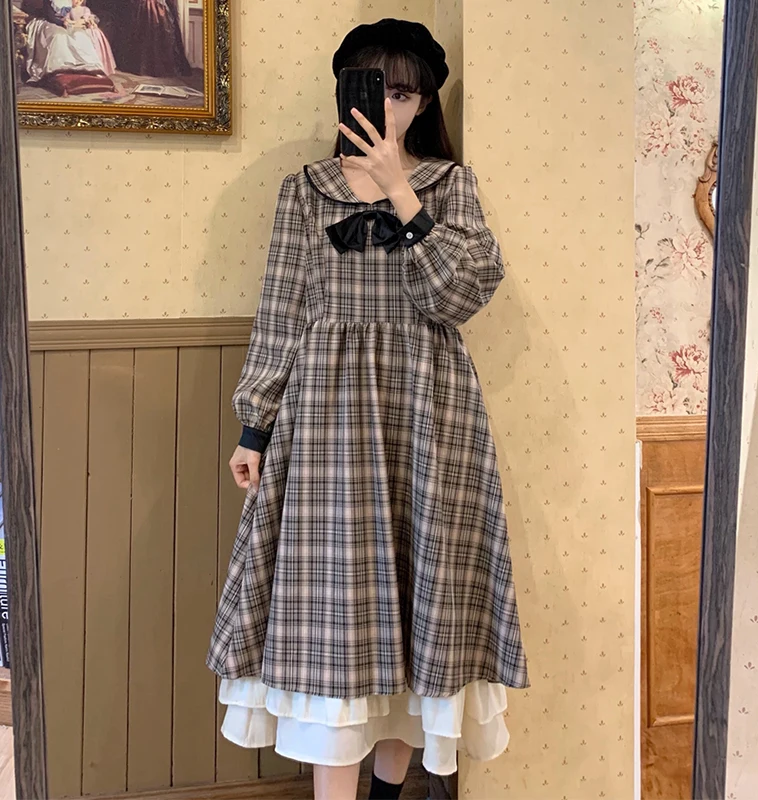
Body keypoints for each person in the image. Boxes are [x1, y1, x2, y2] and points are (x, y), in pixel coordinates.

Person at [206, 18, 530, 800]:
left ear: (425, 103)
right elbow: (282, 310)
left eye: (405, 93)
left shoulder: (450, 186)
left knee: (417, 625)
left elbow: (460, 295)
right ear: (346, 92)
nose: (389, 106)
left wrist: (399, 190)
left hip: (428, 417)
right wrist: (255, 425)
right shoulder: (304, 189)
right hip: (327, 423)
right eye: (375, 89)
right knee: (338, 623)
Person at [65, 0, 116, 76]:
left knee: (95, 44)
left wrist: (75, 22)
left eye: (80, 0)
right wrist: (72, 23)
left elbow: (85, 20)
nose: (77, 1)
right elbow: (66, 21)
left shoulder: (85, 9)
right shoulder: (69, 10)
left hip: (88, 30)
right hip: (78, 30)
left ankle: (99, 68)